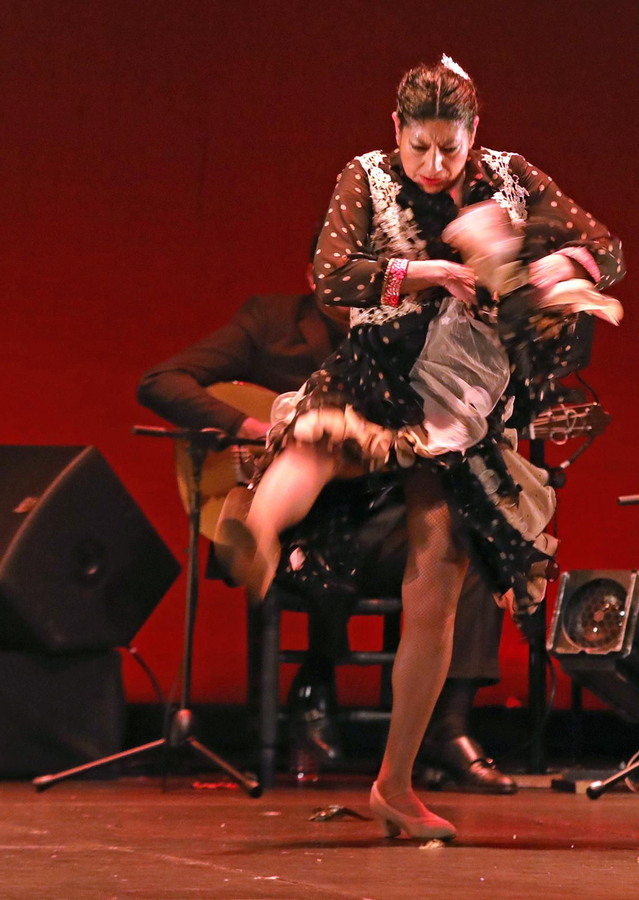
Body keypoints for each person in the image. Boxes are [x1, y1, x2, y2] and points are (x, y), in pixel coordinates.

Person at [231, 57, 623, 839]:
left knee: (439, 571)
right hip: (387, 365)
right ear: (396, 132)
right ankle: (257, 531)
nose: (435, 165)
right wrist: (423, 271)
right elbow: (331, 273)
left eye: (450, 147)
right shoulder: (367, 177)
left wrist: (552, 269)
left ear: (474, 133)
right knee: (323, 438)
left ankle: (397, 784)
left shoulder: (514, 178)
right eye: (421, 147)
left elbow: (605, 249)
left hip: (469, 402)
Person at [136, 252, 517, 793]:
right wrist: (250, 426)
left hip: (378, 510)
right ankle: (303, 655)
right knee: (312, 505)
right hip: (304, 521)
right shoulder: (269, 322)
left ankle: (445, 730)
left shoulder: (414, 329)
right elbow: (160, 380)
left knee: (474, 542)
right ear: (315, 276)